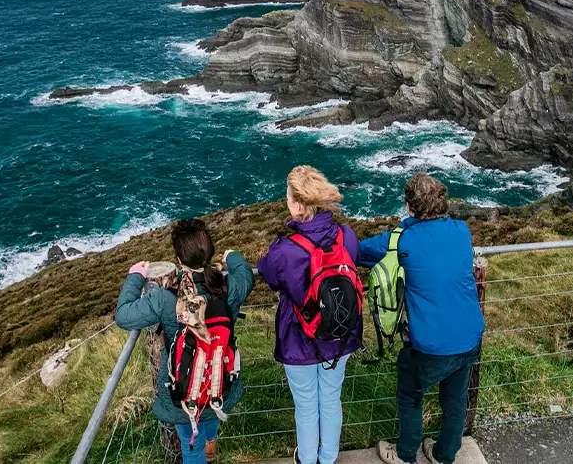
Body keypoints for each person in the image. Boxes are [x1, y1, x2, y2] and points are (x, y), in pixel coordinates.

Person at [359, 173, 484, 464]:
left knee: (410, 393)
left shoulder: (401, 239)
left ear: (408, 205)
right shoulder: (461, 231)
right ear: (443, 202)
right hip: (469, 337)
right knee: (455, 399)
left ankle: (405, 455)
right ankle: (444, 455)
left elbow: (358, 251)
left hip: (429, 344)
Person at [116, 218, 254, 464]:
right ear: (210, 252)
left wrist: (135, 277)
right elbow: (245, 274)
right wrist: (232, 257)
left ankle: (204, 446)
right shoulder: (228, 286)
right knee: (213, 408)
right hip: (220, 377)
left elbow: (124, 316)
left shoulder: (166, 298)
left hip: (183, 387)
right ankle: (211, 443)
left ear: (179, 260)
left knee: (191, 446)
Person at [257, 165, 363, 464]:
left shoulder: (284, 250)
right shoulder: (346, 236)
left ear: (300, 204)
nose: (286, 201)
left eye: (288, 197)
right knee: (331, 399)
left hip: (299, 338)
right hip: (340, 332)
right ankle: (327, 458)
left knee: (306, 405)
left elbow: (267, 271)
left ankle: (306, 459)